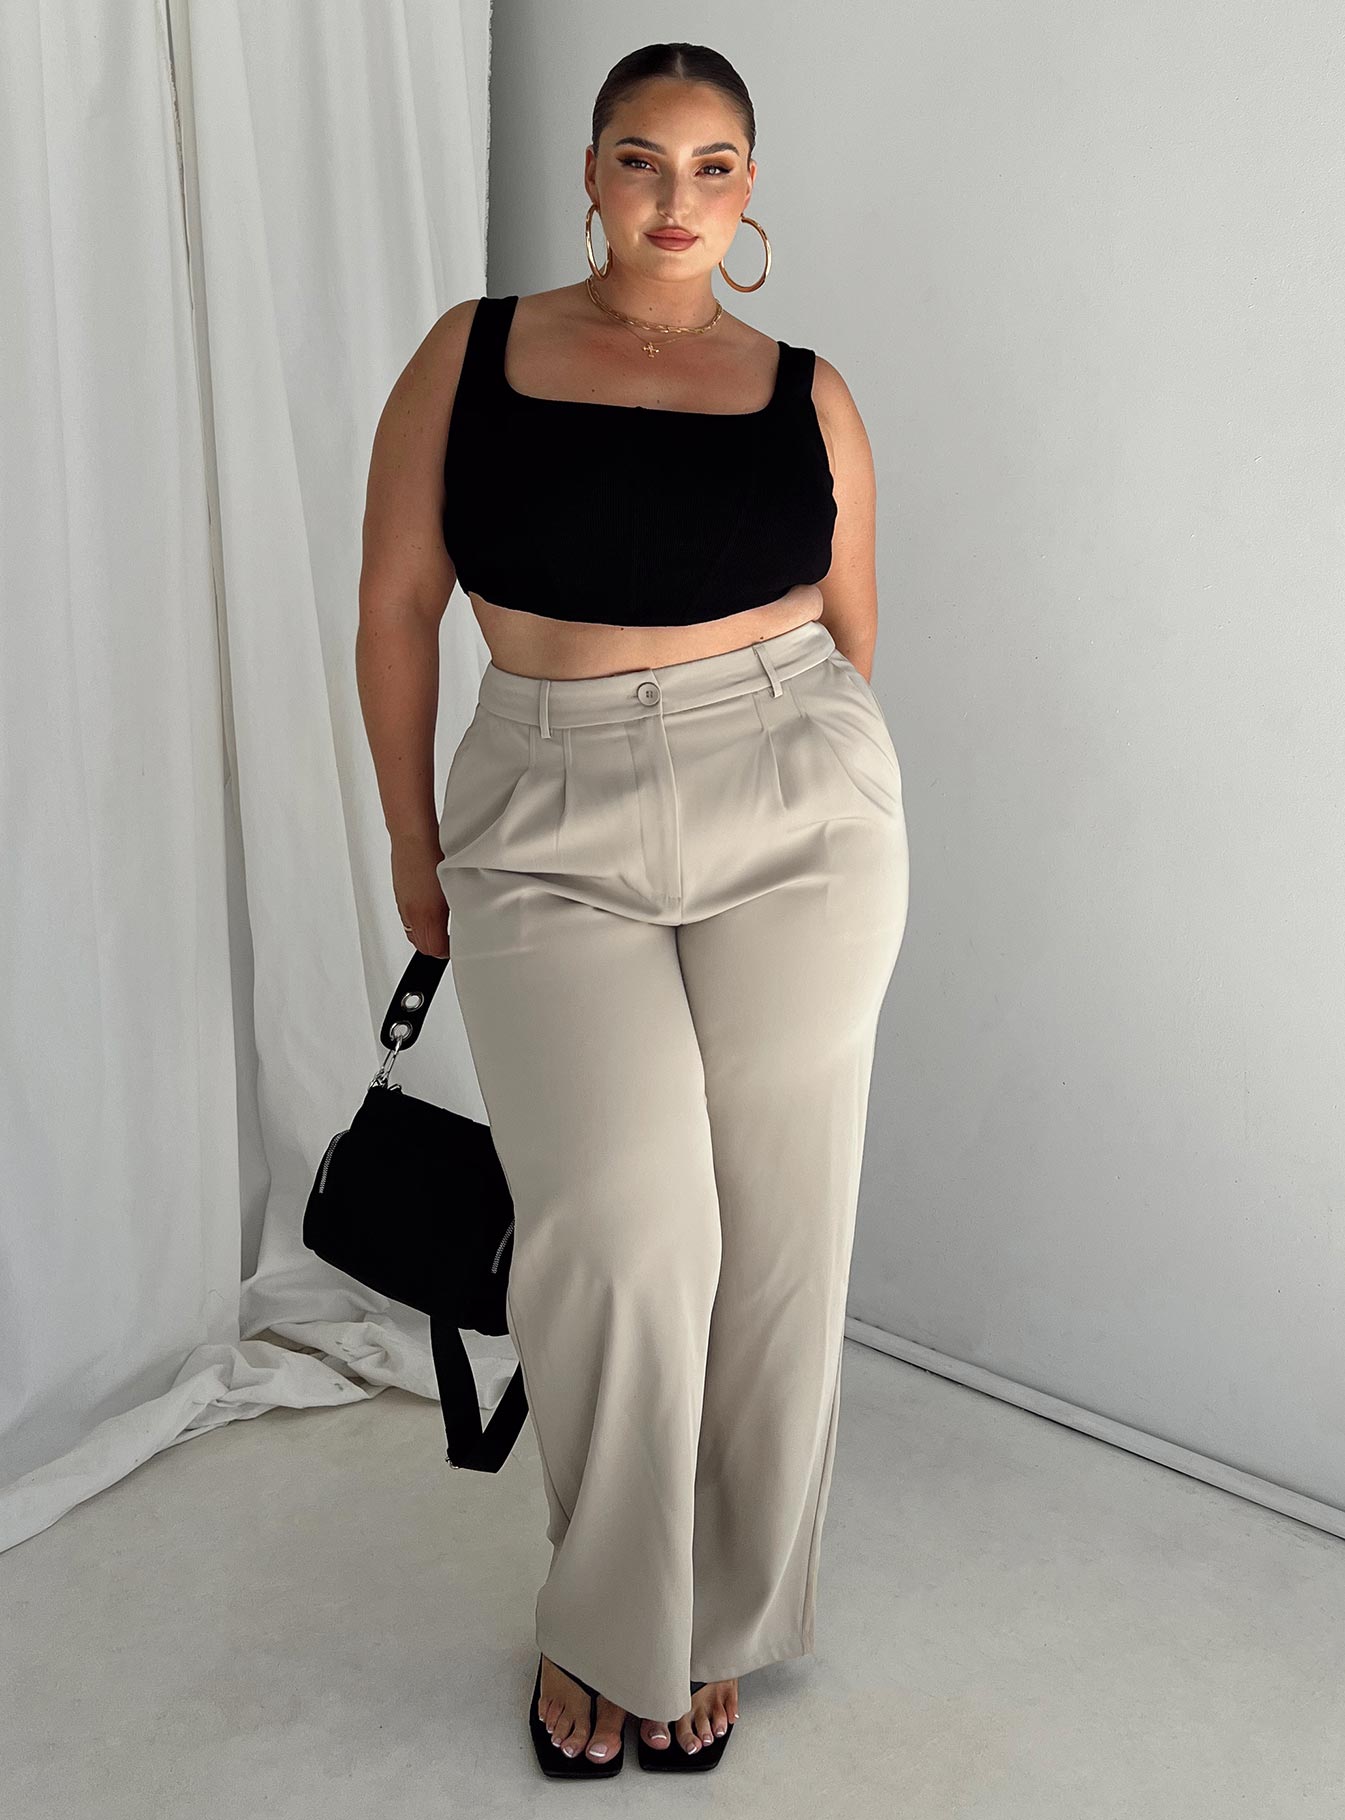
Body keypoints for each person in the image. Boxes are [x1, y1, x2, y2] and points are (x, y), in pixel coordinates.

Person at [356, 41, 909, 1777]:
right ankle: (607, 1618)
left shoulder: (807, 388)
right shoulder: (471, 353)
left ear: (750, 194)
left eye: (713, 165)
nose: (677, 199)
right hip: (544, 803)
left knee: (779, 1229)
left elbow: (853, 631)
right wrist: (411, 842)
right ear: (590, 175)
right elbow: (394, 611)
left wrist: (806, 769)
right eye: (641, 160)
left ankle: (717, 1621)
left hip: (794, 802)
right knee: (617, 1223)